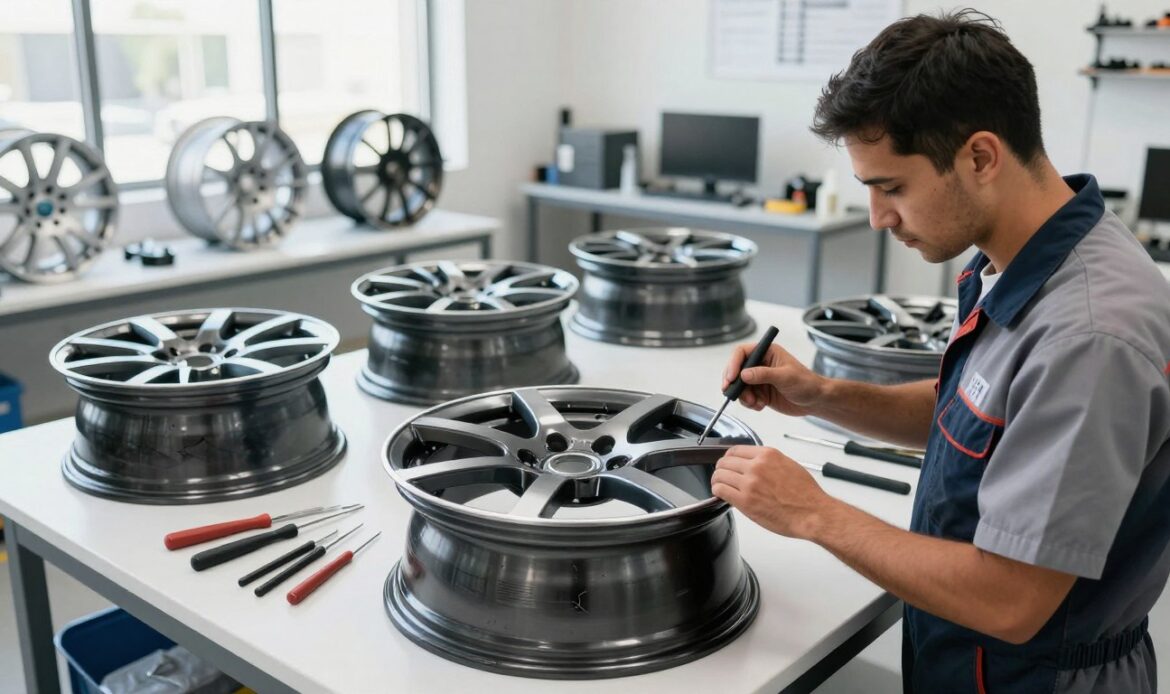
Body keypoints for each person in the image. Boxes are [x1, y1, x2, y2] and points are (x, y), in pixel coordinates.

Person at [710, 9, 1170, 693]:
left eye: (892, 187)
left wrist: (812, 512)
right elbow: (974, 416)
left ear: (980, 157)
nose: (878, 218)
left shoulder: (1088, 337)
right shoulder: (1016, 260)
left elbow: (1011, 600)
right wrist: (822, 396)